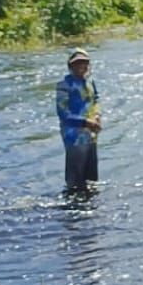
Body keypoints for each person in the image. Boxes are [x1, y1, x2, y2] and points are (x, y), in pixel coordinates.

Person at [56, 48, 102, 192]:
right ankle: (73, 207)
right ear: (70, 66)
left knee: (91, 177)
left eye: (84, 63)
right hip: (73, 136)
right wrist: (86, 122)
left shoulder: (90, 82)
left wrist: (97, 117)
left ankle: (92, 207)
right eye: (77, 63)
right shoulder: (64, 85)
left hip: (91, 133)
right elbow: (63, 113)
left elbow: (95, 100)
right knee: (75, 179)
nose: (81, 66)